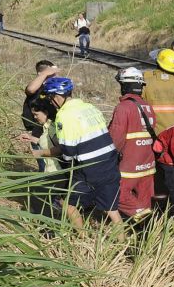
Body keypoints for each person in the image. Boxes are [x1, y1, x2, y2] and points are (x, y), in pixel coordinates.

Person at [20, 77, 124, 227]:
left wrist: (40, 153)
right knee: (112, 210)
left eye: (50, 99)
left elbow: (67, 152)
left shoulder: (64, 115)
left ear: (55, 97)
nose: (50, 103)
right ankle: (124, 243)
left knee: (67, 205)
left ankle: (81, 237)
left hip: (90, 168)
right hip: (110, 162)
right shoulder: (90, 107)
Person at [107, 68, 158, 220]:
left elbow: (115, 139)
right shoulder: (148, 107)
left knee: (117, 195)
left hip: (129, 165)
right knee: (145, 199)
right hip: (147, 163)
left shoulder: (123, 108)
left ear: (124, 86)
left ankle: (144, 218)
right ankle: (147, 232)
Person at [22, 60, 59, 141]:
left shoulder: (54, 87)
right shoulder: (37, 87)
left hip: (51, 128)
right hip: (38, 129)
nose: (54, 77)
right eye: (51, 74)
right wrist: (45, 74)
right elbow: (30, 89)